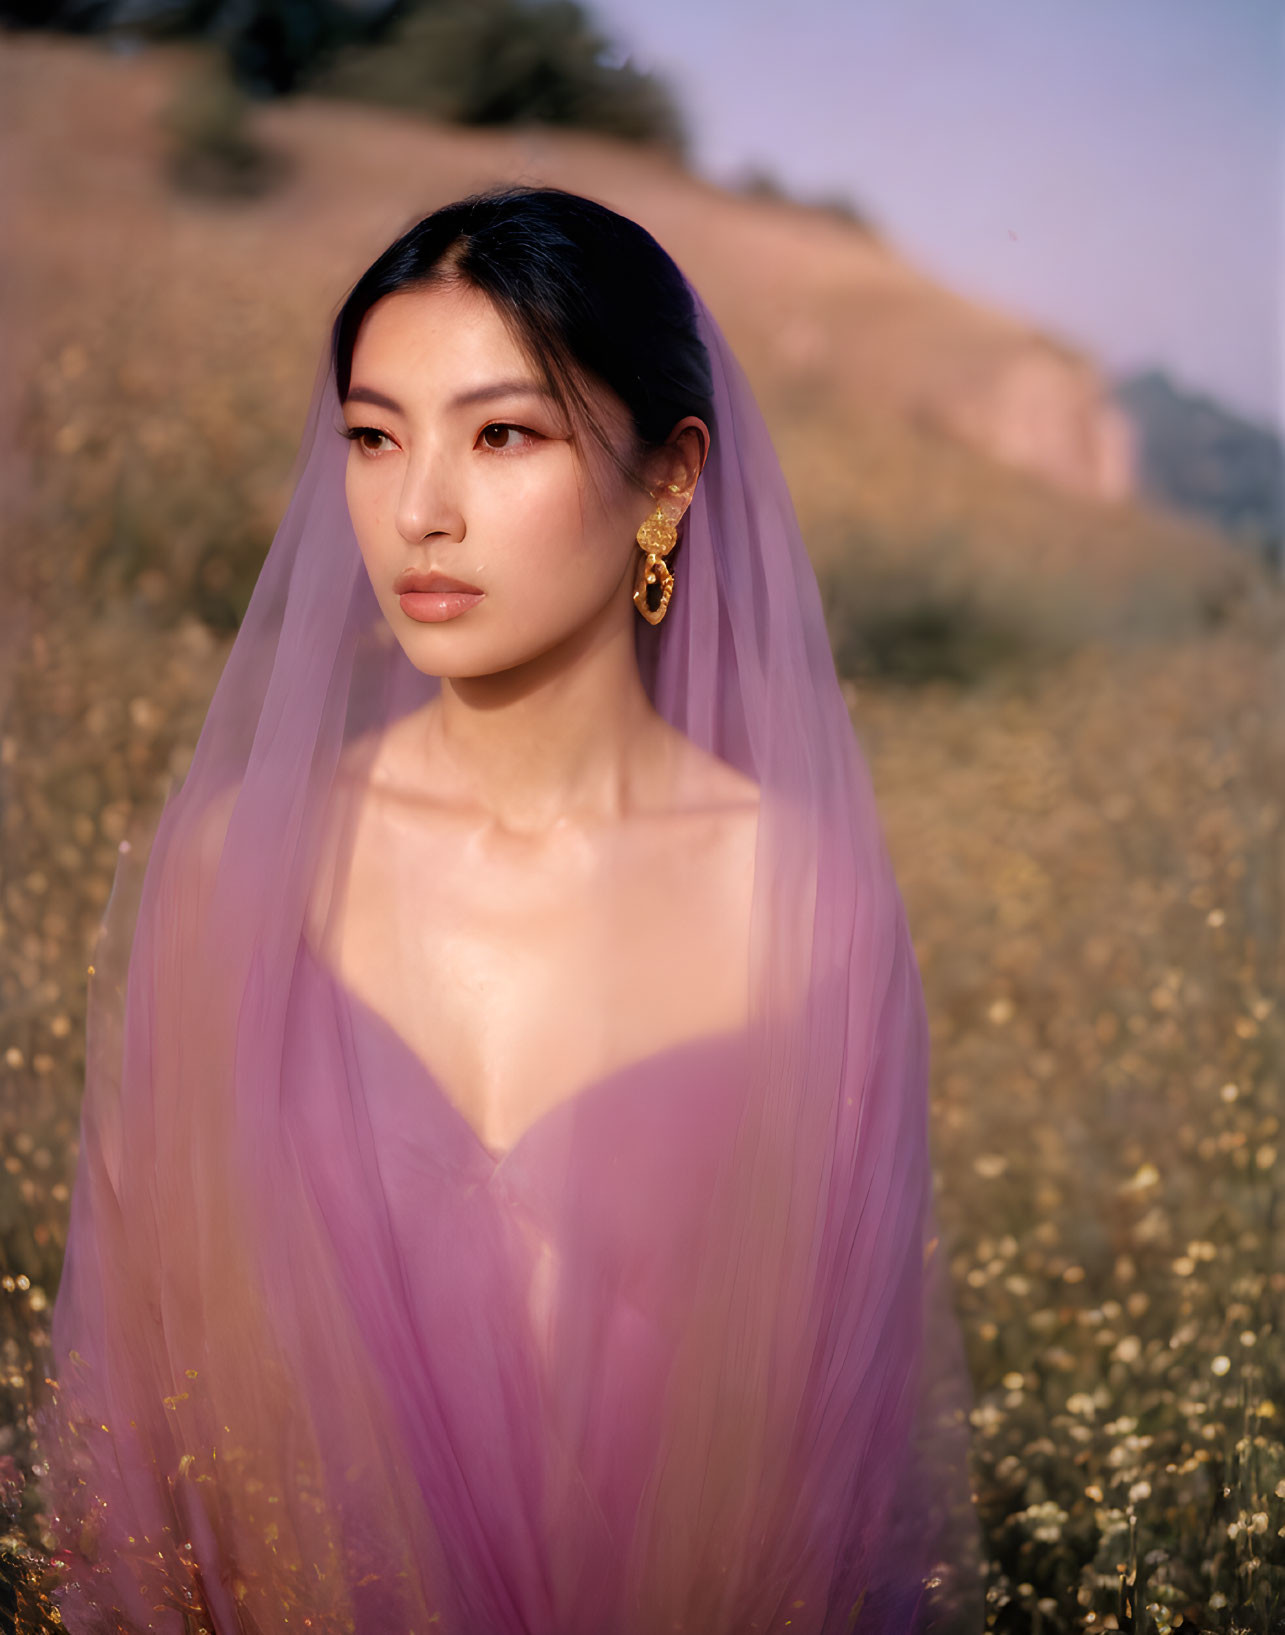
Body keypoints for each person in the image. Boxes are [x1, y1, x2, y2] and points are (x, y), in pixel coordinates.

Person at [38, 184, 983, 1633]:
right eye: (371, 435)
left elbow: (834, 1477)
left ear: (669, 481)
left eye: (501, 434)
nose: (418, 508)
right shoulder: (247, 869)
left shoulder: (796, 903)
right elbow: (138, 1427)